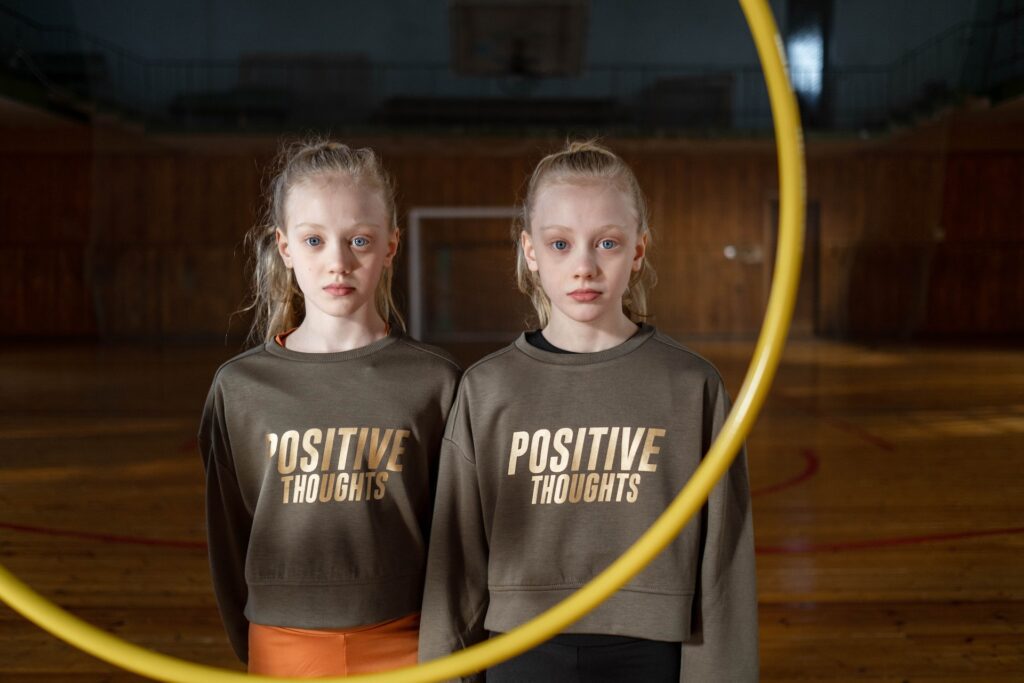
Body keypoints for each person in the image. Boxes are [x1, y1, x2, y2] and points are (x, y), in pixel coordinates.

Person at [419, 140, 757, 682]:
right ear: (530, 251)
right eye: (560, 244)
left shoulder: (691, 386)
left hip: (653, 651)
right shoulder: (487, 389)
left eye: (607, 243)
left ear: (639, 251)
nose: (584, 266)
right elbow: (455, 567)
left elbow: (723, 568)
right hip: (518, 651)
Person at [199, 139, 460, 677]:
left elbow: (455, 536)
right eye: (314, 239)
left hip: (409, 641)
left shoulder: (435, 381)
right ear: (285, 247)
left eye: (358, 239)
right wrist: (251, 637)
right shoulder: (241, 386)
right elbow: (227, 534)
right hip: (283, 642)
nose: (337, 261)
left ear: (391, 246)